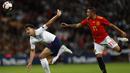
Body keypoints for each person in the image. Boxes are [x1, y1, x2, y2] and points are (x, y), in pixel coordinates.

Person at [61, 7, 127, 73]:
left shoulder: (101, 19)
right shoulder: (87, 20)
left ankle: (120, 40)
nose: (87, 13)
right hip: (97, 42)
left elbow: (111, 25)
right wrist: (68, 25)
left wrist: (121, 32)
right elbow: (78, 25)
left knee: (119, 50)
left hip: (105, 38)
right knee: (98, 57)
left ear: (93, 13)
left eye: (88, 12)